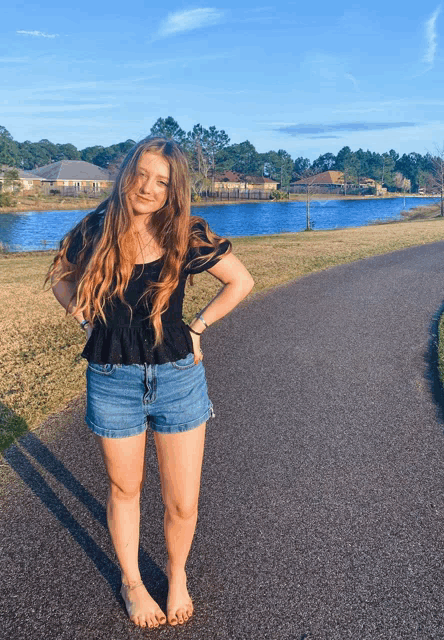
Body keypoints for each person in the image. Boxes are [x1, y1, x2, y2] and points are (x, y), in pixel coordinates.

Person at [45, 137, 254, 628]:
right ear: (125, 174)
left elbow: (240, 281)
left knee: (182, 501)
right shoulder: (96, 228)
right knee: (125, 488)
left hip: (177, 376)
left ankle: (177, 575)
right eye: (141, 174)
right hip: (112, 377)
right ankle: (133, 581)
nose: (148, 187)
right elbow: (61, 274)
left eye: (162, 181)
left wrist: (198, 327)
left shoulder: (186, 232)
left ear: (173, 189)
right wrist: (84, 318)